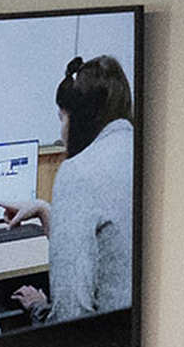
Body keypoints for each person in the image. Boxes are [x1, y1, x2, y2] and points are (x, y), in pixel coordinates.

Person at [42, 53, 138, 322]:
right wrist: (46, 211)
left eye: (62, 118)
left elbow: (70, 309)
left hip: (109, 340)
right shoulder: (146, 152)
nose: (61, 132)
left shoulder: (78, 172)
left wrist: (39, 310)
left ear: (78, 117)